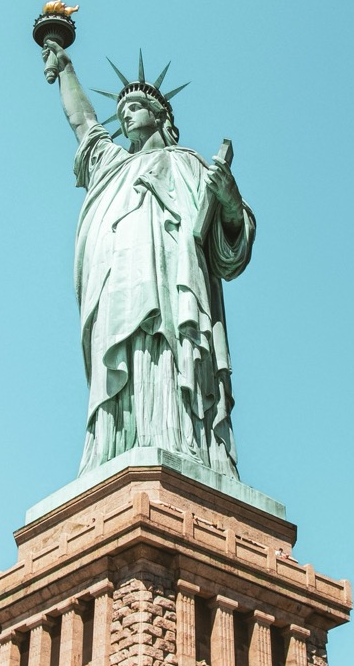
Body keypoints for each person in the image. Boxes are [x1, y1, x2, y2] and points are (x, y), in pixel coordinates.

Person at [42, 38, 256, 478]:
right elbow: (84, 123)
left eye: (136, 105)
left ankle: (183, 445)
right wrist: (64, 69)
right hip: (117, 293)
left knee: (169, 359)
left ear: (161, 115)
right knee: (123, 371)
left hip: (173, 289)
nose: (125, 113)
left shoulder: (190, 164)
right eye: (121, 109)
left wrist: (229, 202)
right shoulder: (111, 167)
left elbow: (231, 248)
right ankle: (115, 448)